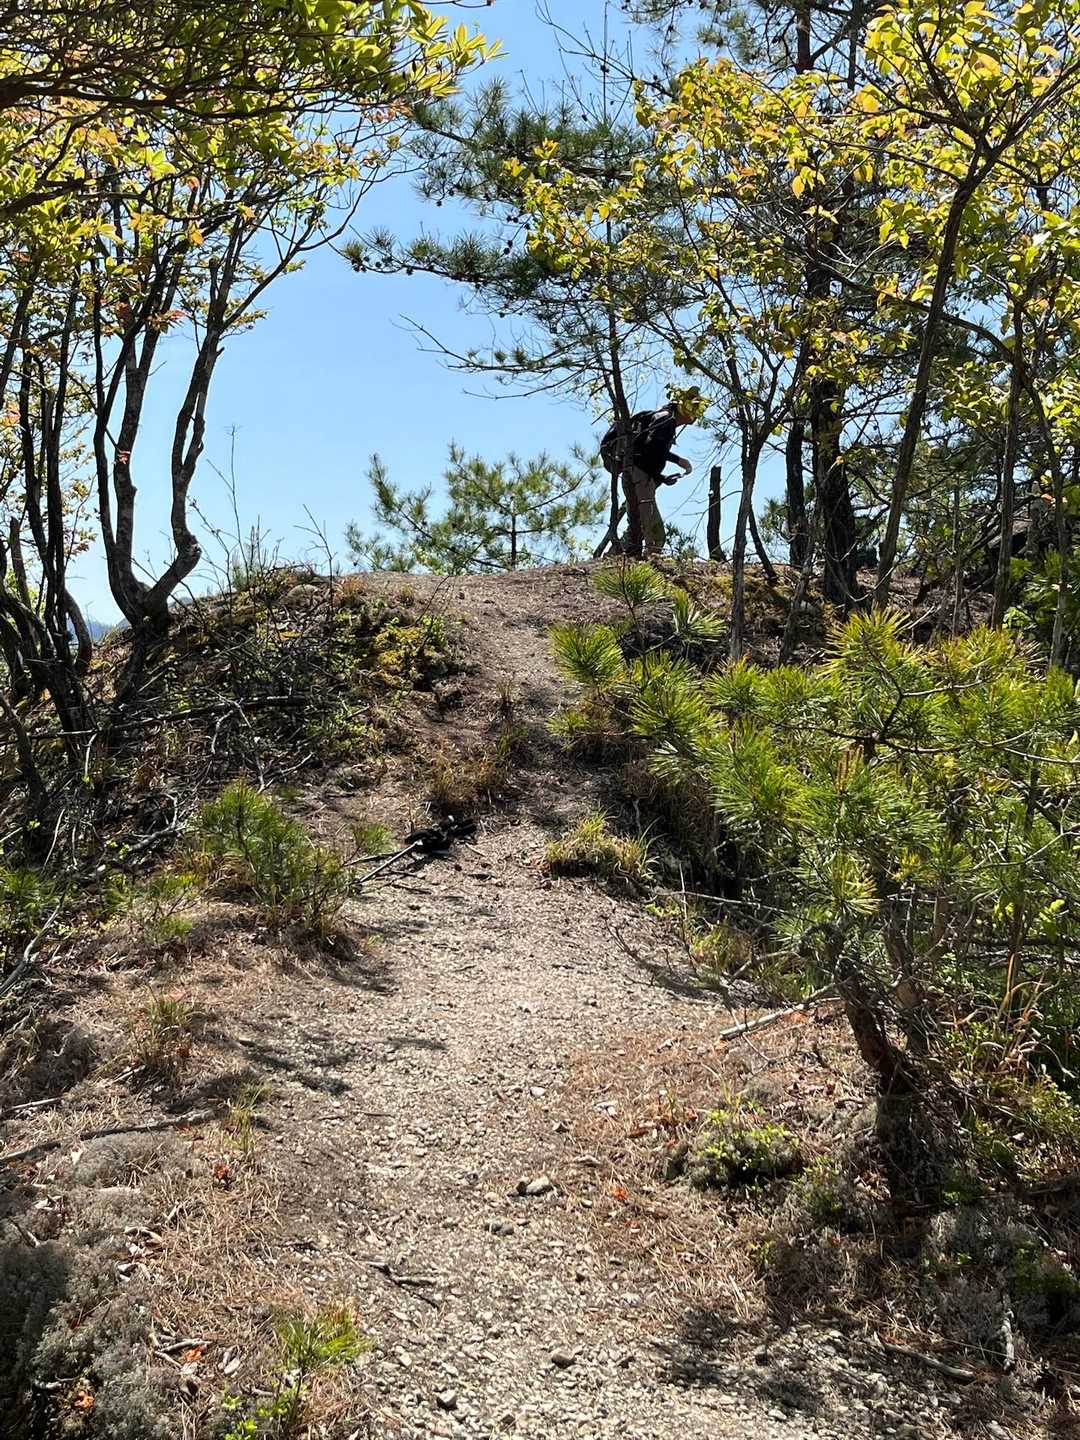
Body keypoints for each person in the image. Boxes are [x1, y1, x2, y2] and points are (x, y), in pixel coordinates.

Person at [600, 397, 696, 556]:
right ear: (683, 409)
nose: (697, 414)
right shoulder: (666, 420)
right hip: (640, 476)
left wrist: (661, 478)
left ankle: (612, 558)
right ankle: (649, 563)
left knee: (636, 527)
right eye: (694, 408)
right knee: (656, 535)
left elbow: (648, 450)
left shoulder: (661, 418)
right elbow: (650, 448)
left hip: (634, 474)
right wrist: (678, 461)